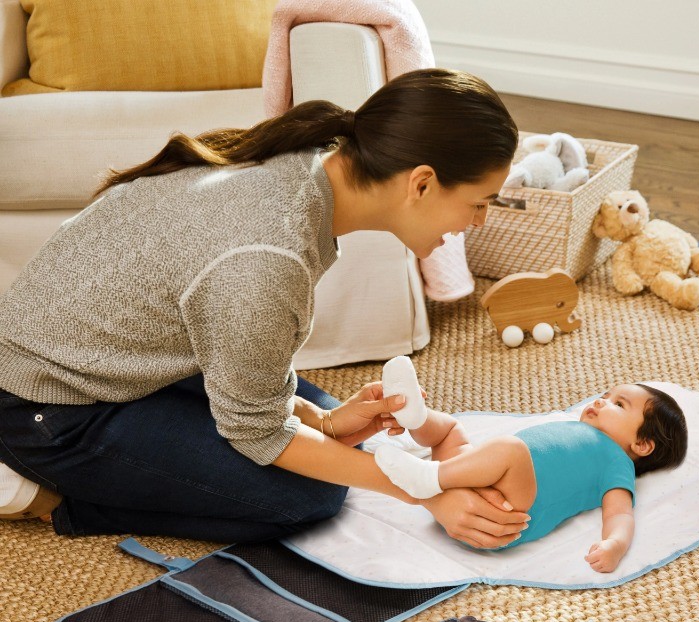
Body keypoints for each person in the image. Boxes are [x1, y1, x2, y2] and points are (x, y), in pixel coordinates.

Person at [0, 68, 531, 548]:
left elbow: (249, 378)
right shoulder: (269, 255)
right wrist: (424, 491)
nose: (478, 222)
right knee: (307, 498)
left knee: (320, 418)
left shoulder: (306, 160)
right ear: (422, 183)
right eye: (478, 203)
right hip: (45, 409)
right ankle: (43, 494)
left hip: (114, 357)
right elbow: (258, 431)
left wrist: (321, 420)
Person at [375, 382, 689, 572]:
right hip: (473, 480)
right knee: (451, 430)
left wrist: (615, 545)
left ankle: (429, 478)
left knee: (512, 450)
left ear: (642, 444)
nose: (600, 401)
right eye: (606, 395)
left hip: (505, 510)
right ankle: (415, 417)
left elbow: (620, 513)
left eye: (618, 405)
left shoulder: (617, 462)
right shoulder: (574, 427)